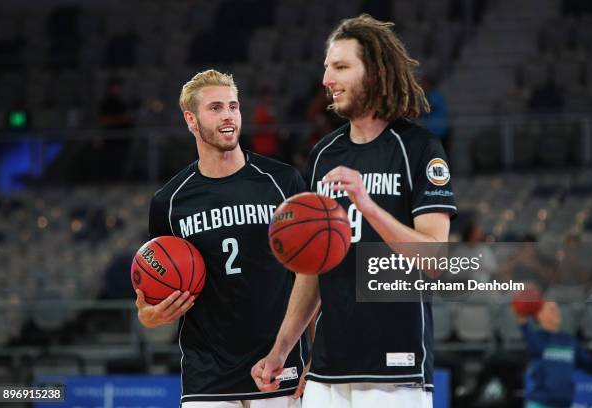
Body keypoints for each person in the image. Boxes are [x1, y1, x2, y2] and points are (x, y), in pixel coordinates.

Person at [252, 15, 457, 407]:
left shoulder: (419, 149)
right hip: (327, 370)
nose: (327, 78)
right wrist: (281, 350)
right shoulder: (324, 154)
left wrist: (367, 205)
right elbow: (310, 270)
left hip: (396, 370)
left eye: (341, 66)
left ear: (376, 74)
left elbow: (435, 260)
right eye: (327, 67)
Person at [135, 69, 308, 407]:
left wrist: (318, 359)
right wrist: (150, 316)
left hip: (277, 370)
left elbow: (309, 275)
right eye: (215, 108)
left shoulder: (282, 182)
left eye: (233, 106)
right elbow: (155, 291)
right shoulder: (169, 202)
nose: (228, 115)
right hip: (207, 378)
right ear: (191, 119)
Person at [519, 301, 592, 408]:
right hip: (540, 404)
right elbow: (525, 328)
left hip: (564, 404)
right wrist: (523, 319)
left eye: (557, 309)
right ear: (539, 315)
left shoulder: (569, 341)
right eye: (551, 310)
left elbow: (589, 364)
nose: (556, 312)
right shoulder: (537, 339)